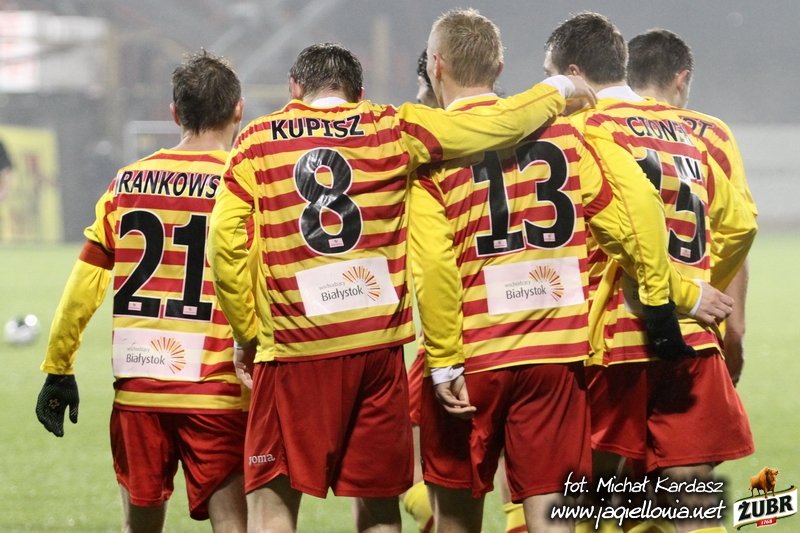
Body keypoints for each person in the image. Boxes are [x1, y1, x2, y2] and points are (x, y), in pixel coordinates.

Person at [207, 42, 596, 533]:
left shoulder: (259, 139)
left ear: (294, 89)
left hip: (294, 347)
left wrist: (245, 332)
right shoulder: (392, 126)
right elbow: (497, 126)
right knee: (378, 505)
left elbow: (224, 241)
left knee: (273, 503)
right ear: (358, 92)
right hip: (379, 349)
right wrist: (557, 87)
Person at [408, 9, 715, 533]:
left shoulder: (433, 149)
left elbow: (433, 267)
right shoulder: (567, 136)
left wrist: (441, 360)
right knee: (555, 515)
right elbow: (634, 217)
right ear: (499, 66)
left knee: (454, 515)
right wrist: (672, 296)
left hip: (474, 353)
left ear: (436, 66)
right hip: (556, 355)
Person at [544, 13, 757, 533]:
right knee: (692, 495)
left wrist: (680, 292)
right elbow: (741, 224)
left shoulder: (581, 130)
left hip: (614, 333)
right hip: (693, 338)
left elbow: (616, 230)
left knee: (585, 494)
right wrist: (704, 290)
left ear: (573, 74)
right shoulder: (688, 130)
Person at [35, 51, 249, 533]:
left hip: (139, 390)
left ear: (174, 113)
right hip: (215, 390)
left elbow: (84, 283)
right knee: (234, 526)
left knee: (140, 528)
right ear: (238, 109)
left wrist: (59, 367)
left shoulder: (126, 183)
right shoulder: (241, 184)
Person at [627, 28, 758, 387]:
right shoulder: (710, 134)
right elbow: (736, 230)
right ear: (681, 79)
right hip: (693, 320)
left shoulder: (600, 125)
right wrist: (734, 328)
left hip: (617, 324)